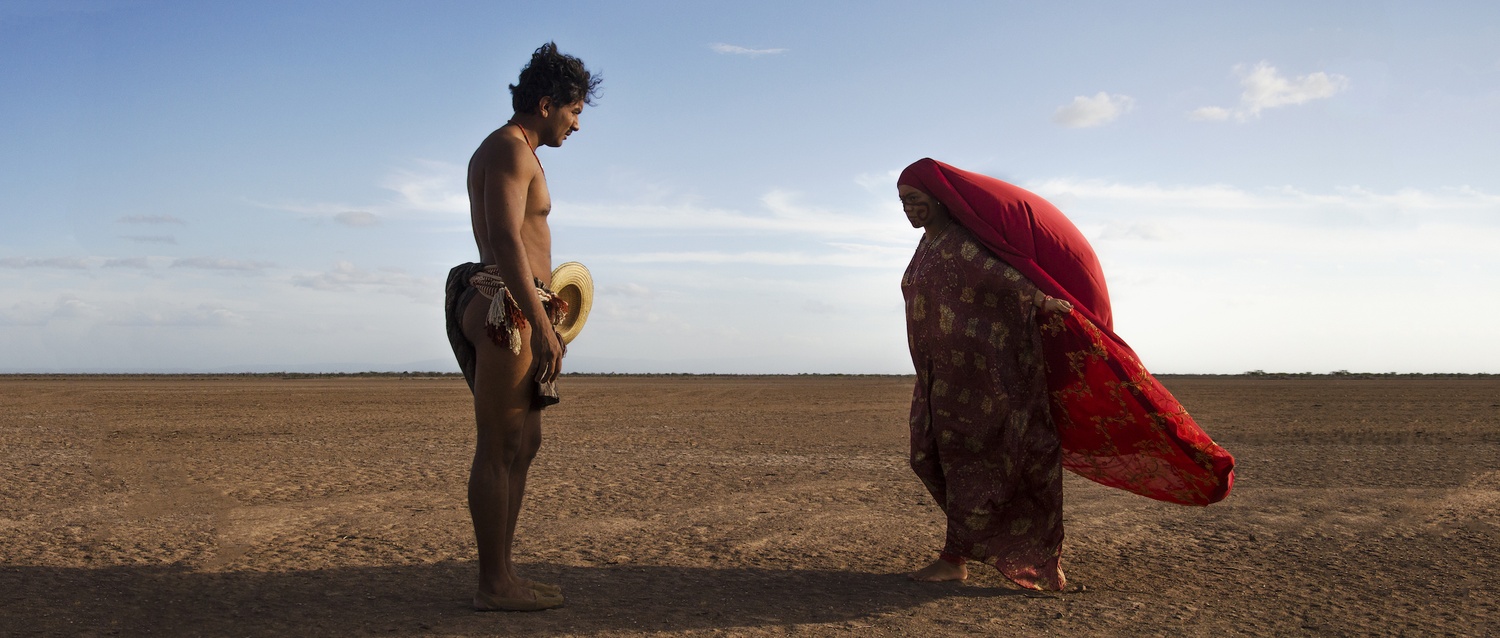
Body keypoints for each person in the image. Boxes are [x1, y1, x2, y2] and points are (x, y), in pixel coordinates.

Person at [897, 158, 1235, 591]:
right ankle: (968, 547)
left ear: (939, 198)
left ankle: (968, 557)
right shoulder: (926, 247)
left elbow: (1002, 278)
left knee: (980, 465)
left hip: (985, 380)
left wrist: (1041, 300)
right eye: (903, 203)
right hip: (939, 380)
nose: (908, 209)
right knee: (929, 457)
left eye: (915, 200)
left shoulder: (961, 243)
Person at [443, 42, 600, 612]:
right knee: (499, 444)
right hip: (506, 308)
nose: (577, 124)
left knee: (524, 443)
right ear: (545, 102)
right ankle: (493, 584)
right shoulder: (510, 150)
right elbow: (508, 238)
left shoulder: (515, 150)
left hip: (518, 303)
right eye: (575, 111)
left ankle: (504, 573)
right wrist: (539, 321)